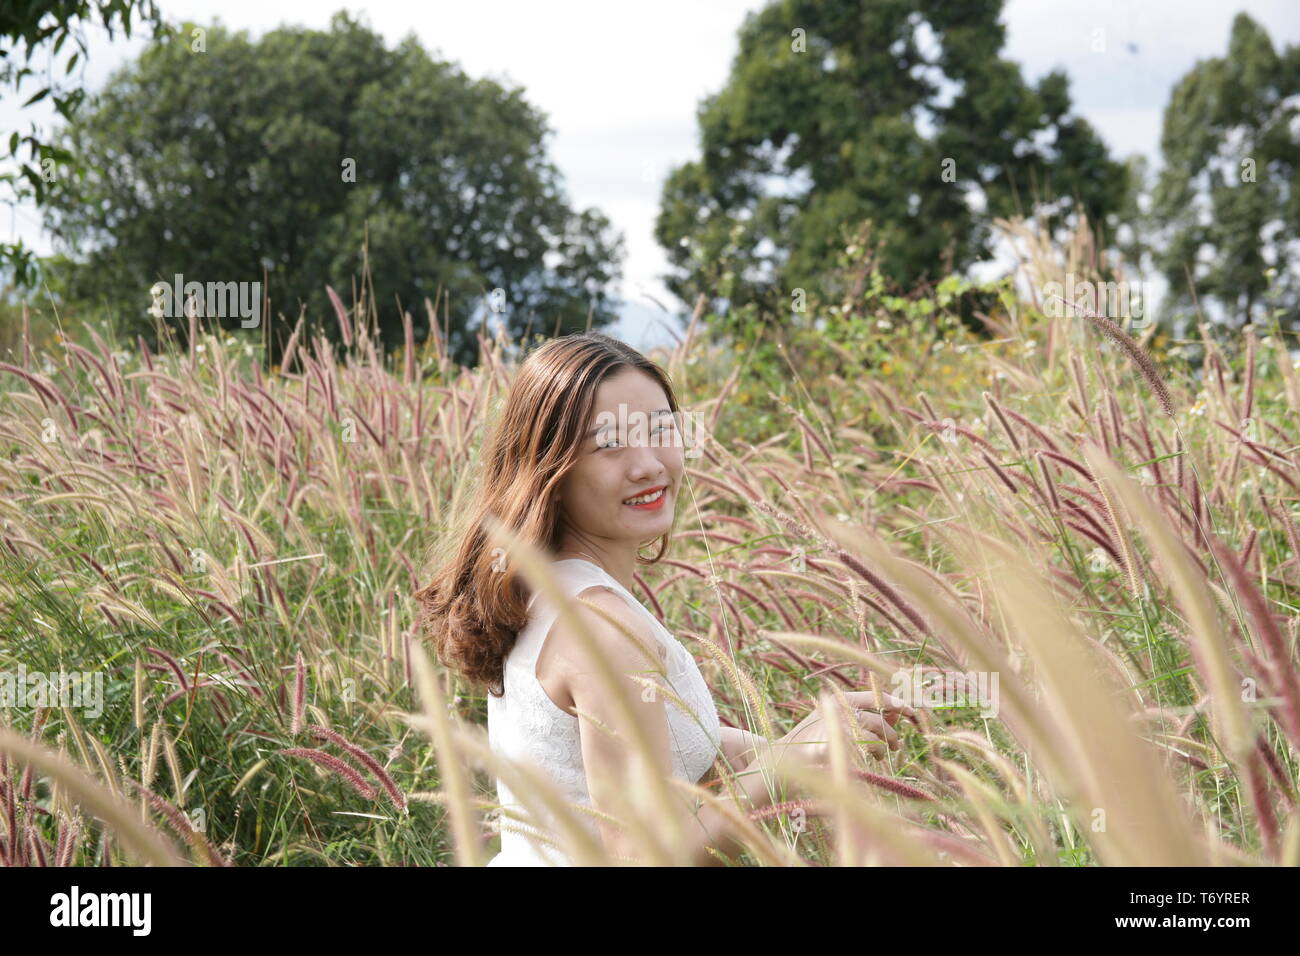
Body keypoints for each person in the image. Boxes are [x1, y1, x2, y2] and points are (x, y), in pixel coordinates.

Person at [414, 332, 911, 866]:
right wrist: (784, 764)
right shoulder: (602, 628)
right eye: (609, 444)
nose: (649, 464)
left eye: (659, 431)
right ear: (550, 470)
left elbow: (662, 747)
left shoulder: (545, 593)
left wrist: (807, 737)